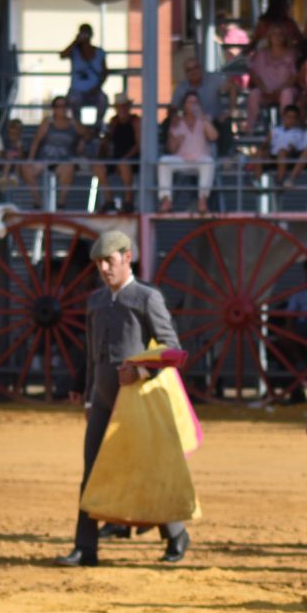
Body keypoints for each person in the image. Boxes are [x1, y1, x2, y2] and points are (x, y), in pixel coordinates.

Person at [61, 230, 190, 567]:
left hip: (135, 400)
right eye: (99, 263)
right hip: (103, 398)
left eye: (110, 261)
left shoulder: (146, 297)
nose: (104, 268)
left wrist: (143, 373)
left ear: (127, 257)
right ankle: (85, 547)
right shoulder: (96, 301)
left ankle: (175, 532)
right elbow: (91, 354)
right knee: (92, 469)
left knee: (143, 468)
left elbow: (172, 349)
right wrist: (86, 393)